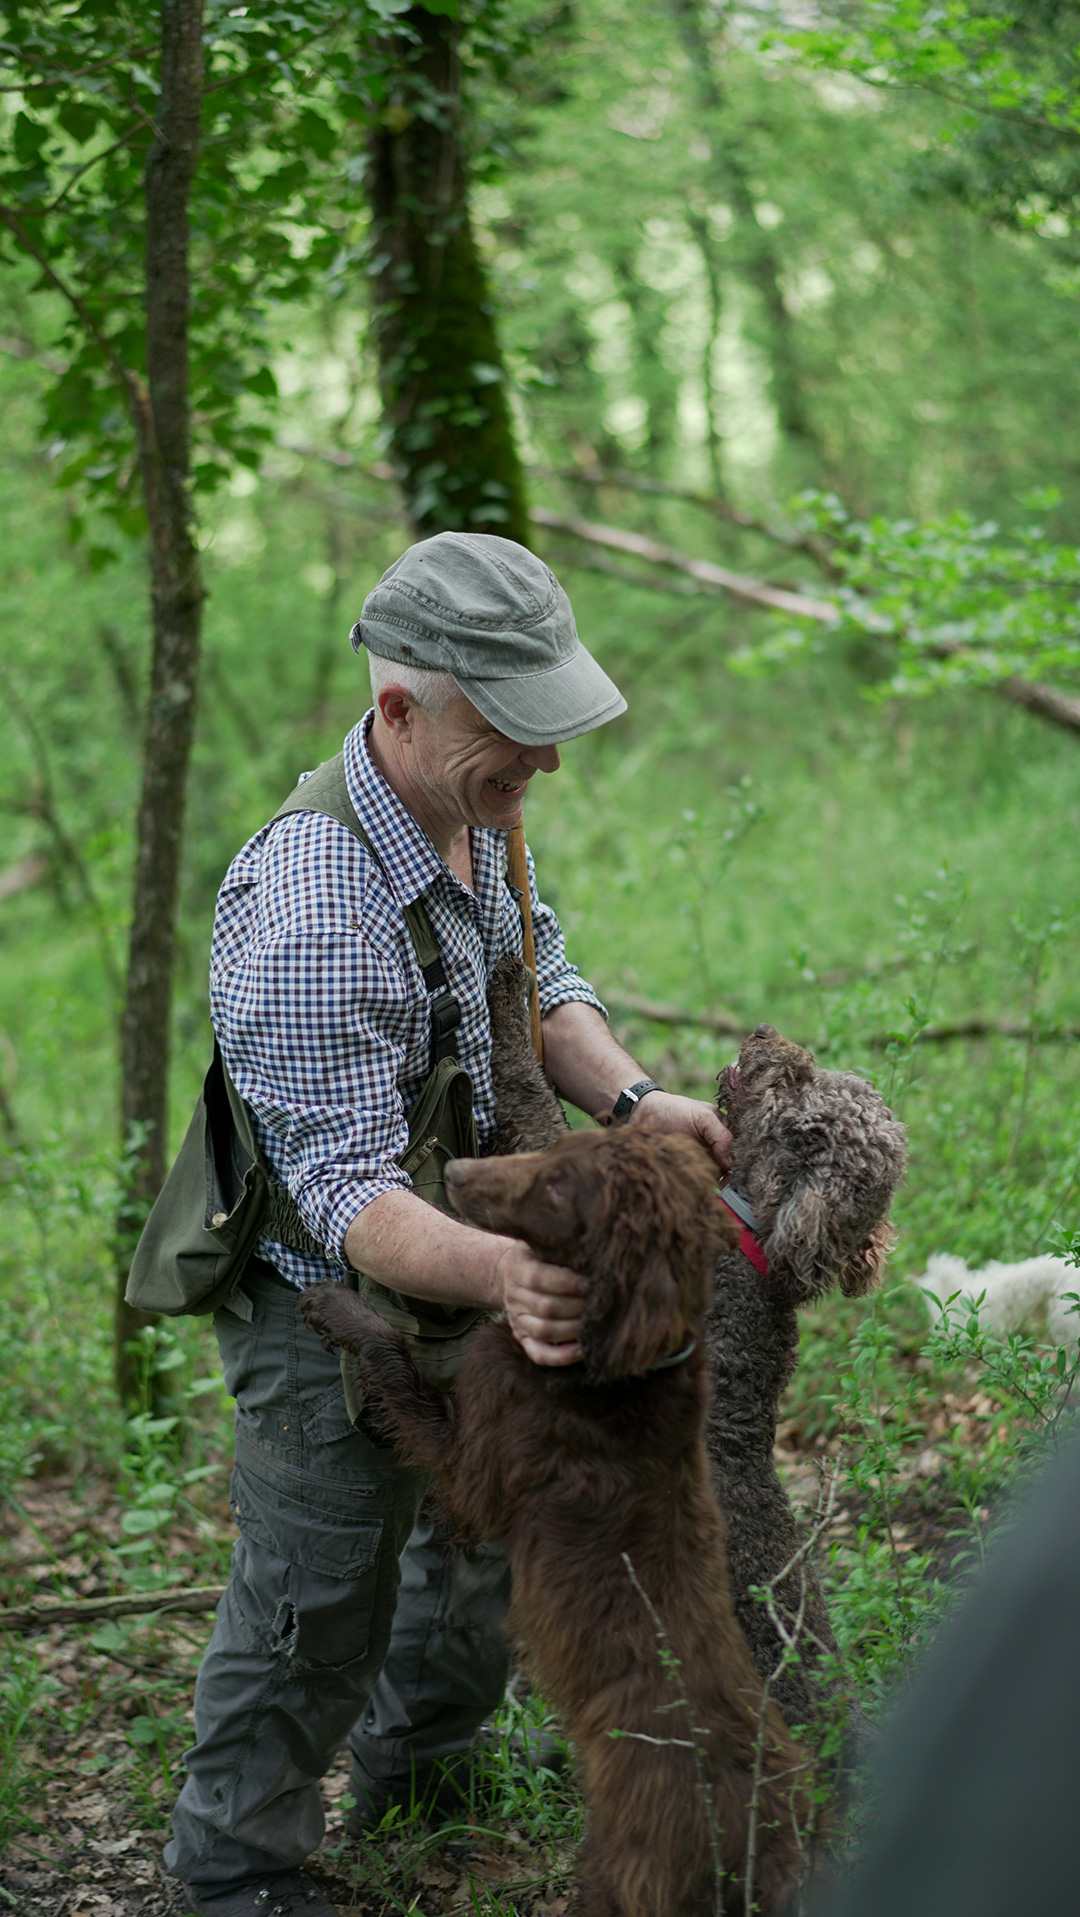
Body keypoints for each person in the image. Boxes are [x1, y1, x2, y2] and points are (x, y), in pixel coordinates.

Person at [165, 532, 733, 1917]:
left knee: (464, 1551)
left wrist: (638, 1100)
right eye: (513, 731)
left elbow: (543, 973)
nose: (543, 766)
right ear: (402, 706)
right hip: (329, 1293)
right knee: (321, 1592)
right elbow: (350, 1196)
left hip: (463, 1255)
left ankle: (423, 1770)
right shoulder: (310, 905)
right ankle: (230, 1871)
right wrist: (512, 1274)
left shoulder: (473, 811)